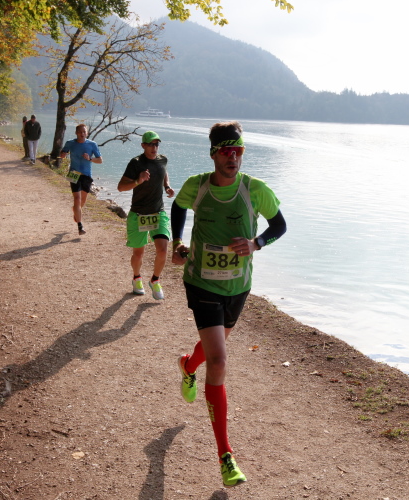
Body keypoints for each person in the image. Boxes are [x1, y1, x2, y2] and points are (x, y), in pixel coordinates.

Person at [170, 121, 287, 487]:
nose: (232, 157)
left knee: (213, 350)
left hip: (238, 286)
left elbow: (279, 225)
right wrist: (177, 242)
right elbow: (178, 206)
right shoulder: (197, 186)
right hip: (201, 282)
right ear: (214, 154)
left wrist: (256, 243)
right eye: (226, 151)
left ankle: (188, 365)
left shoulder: (255, 190)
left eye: (238, 151)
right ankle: (226, 456)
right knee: (219, 361)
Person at [116, 131, 175, 300]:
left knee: (163, 250)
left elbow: (163, 172)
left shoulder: (163, 160)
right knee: (138, 254)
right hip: (139, 214)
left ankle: (155, 280)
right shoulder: (136, 163)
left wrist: (167, 186)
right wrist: (138, 181)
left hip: (158, 212)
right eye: (150, 144)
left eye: (156, 144)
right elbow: (121, 187)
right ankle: (137, 278)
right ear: (143, 145)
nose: (154, 147)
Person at [60, 124, 102, 235]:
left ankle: (76, 211)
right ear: (76, 133)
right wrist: (63, 154)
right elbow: (62, 153)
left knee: (82, 201)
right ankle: (80, 226)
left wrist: (90, 158)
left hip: (86, 175)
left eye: (84, 132)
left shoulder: (92, 144)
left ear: (86, 133)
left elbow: (100, 160)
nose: (82, 134)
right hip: (73, 173)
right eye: (80, 132)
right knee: (77, 199)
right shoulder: (70, 143)